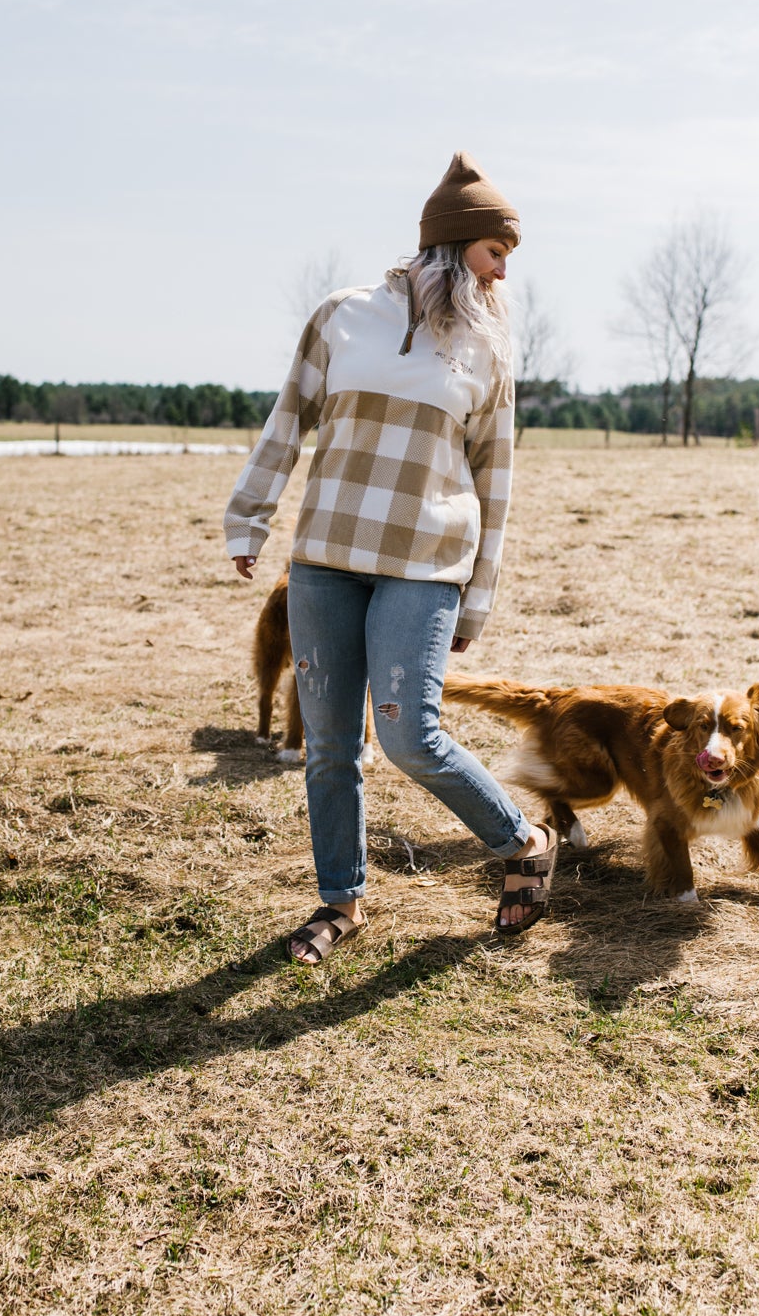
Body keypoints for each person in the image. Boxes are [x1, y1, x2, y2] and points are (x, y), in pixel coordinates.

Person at [224, 152, 556, 964]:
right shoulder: (344, 314)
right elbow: (288, 418)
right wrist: (250, 518)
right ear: (452, 242)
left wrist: (478, 598)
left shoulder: (488, 350)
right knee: (330, 745)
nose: (504, 270)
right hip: (327, 555)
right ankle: (341, 899)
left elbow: (496, 479)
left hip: (426, 562)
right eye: (495, 251)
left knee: (411, 736)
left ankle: (523, 841)